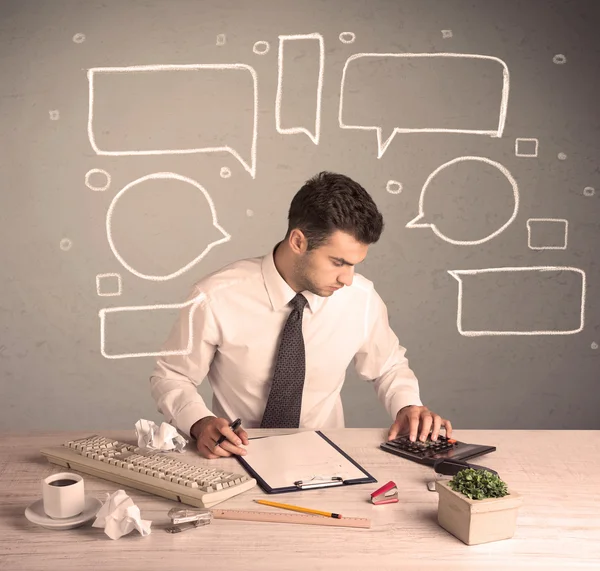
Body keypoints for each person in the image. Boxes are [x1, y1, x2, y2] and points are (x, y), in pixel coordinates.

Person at [150, 171, 452, 459]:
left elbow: (388, 366)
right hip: (236, 456)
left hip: (327, 458)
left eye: (355, 264)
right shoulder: (215, 297)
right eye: (338, 262)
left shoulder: (360, 298)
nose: (347, 278)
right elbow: (172, 375)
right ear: (298, 242)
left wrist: (408, 405)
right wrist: (199, 421)